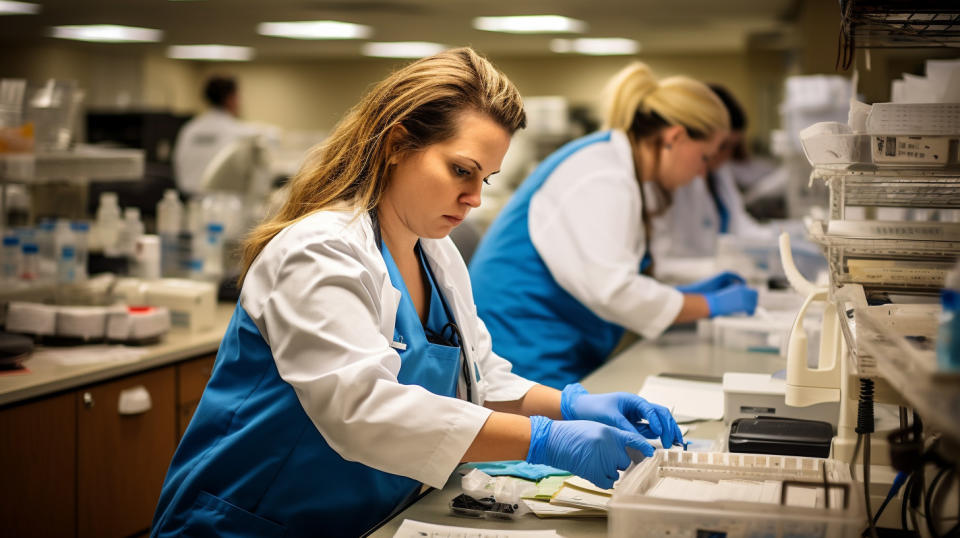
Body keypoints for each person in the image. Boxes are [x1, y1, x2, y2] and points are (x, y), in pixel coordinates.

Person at [151, 48, 683, 538]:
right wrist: (542, 438)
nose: (474, 198)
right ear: (397, 144)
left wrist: (571, 405)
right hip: (249, 521)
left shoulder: (435, 251)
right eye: (461, 171)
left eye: (487, 179)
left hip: (362, 517)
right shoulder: (318, 251)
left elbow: (477, 376)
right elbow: (363, 409)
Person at [468, 63, 758, 390]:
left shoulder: (619, 168)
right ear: (675, 137)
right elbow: (614, 290)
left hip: (553, 342)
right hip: (522, 346)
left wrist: (687, 293)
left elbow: (613, 273)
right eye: (704, 157)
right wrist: (707, 305)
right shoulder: (603, 176)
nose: (702, 172)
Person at [650, 84, 771, 260]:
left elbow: (737, 222)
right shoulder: (675, 176)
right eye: (723, 146)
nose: (724, 155)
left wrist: (782, 238)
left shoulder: (719, 171)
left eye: (732, 147)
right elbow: (664, 255)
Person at [173, 75, 262, 197]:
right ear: (230, 98)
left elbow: (178, 164)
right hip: (224, 203)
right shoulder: (241, 133)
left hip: (188, 201)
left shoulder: (190, 129)